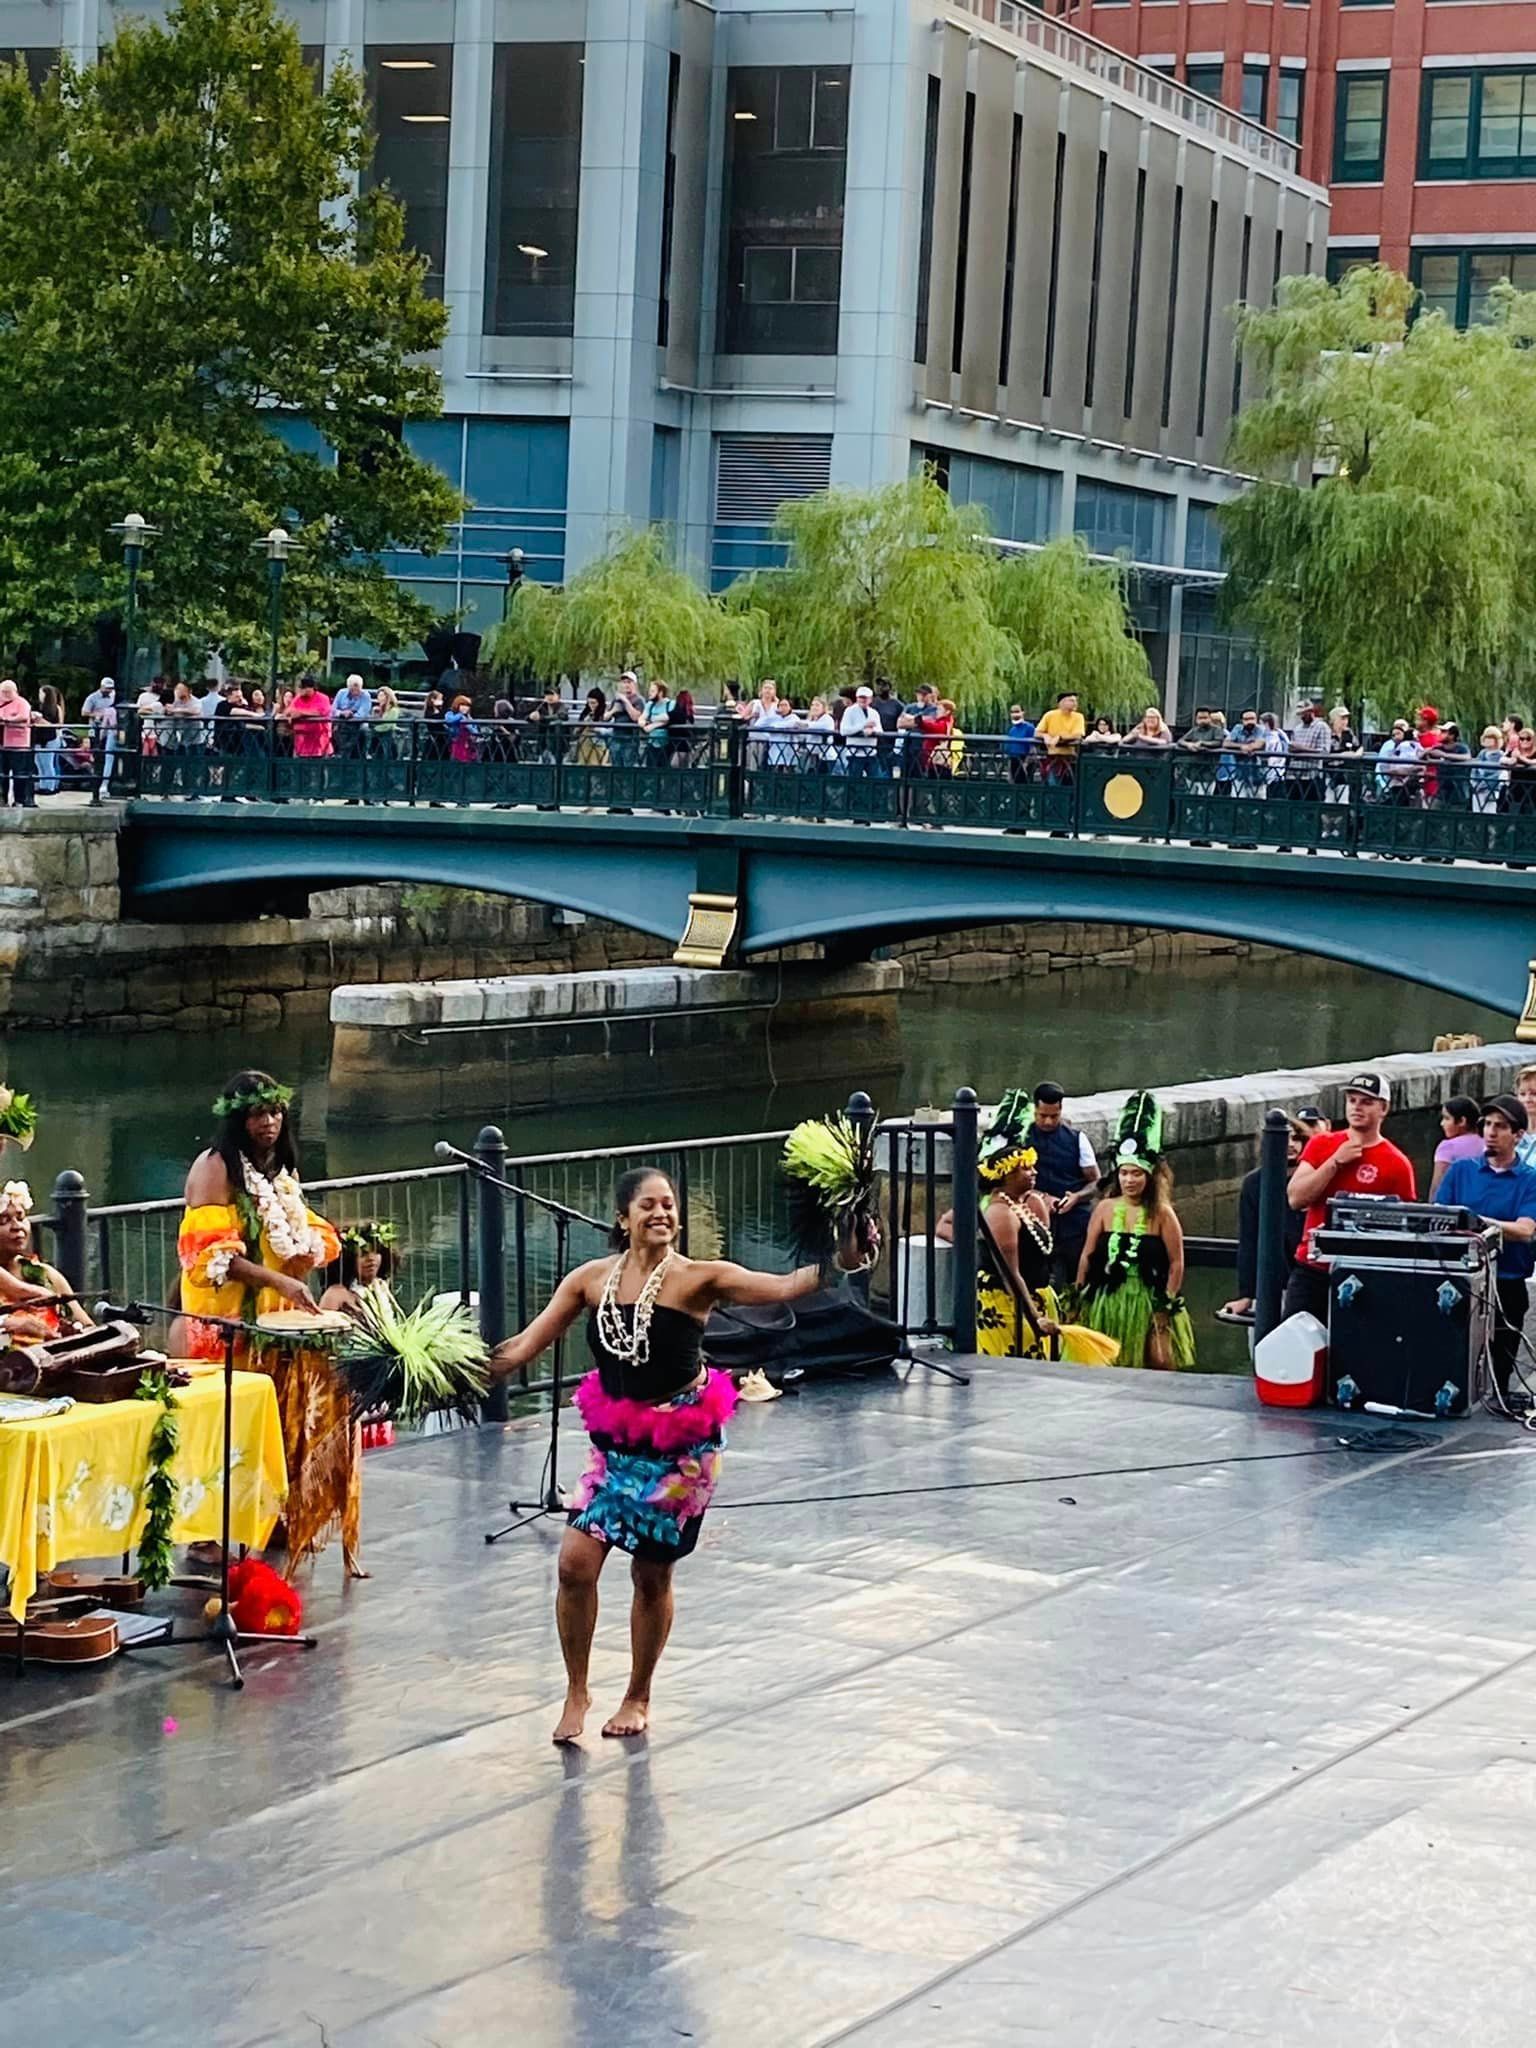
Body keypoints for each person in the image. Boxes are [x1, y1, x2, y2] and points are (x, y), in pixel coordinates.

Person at [488, 1165, 872, 1743]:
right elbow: (520, 1347)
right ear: (624, 1218)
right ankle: (577, 1690)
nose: (662, 1213)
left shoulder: (700, 1278)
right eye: (648, 1205)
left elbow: (787, 1286)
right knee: (573, 1564)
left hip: (681, 1450)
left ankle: (638, 1694)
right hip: (617, 1447)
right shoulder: (590, 1280)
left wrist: (843, 1258)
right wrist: (443, 1368)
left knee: (650, 1572)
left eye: (668, 1204)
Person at [178, 1070, 360, 1574]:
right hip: (226, 1321)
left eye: (276, 1112)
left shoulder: (277, 1171)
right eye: (259, 1113)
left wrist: (312, 1248)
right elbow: (210, 1254)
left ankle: (271, 1516)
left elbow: (304, 1224)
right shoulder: (215, 1169)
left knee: (274, 1420)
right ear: (238, 1119)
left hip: (274, 1323)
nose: (270, 1122)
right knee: (226, 1426)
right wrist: (279, 1282)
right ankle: (206, 1534)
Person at [1283, 1071, 1417, 1323]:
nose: (1357, 1107)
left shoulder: (1397, 1163)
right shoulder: (1322, 1144)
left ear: (1383, 1108)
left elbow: (1405, 1229)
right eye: (1352, 1100)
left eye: (1366, 1102)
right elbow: (1296, 1198)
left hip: (1367, 1274)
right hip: (1313, 1270)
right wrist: (1334, 1163)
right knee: (1297, 1344)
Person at [936, 1090, 1060, 1357]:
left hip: (1038, 1295)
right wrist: (1033, 1318)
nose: (1034, 1172)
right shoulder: (999, 1213)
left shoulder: (1031, 1203)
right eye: (1025, 1168)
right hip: (1007, 1305)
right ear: (1006, 1175)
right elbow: (1010, 1274)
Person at [1077, 1093, 1195, 1369]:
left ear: (1149, 1176)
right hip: (1107, 1298)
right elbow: (1087, 1255)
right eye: (1124, 1173)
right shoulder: (1105, 1209)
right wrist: (1078, 1295)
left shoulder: (1162, 1214)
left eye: (1136, 1174)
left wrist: (1165, 1305)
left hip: (1148, 1300)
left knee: (1158, 1361)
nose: (1129, 1180)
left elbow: (1177, 1262)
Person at [1435, 1097, 1536, 1402]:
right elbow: (1439, 1216)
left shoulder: (1530, 1180)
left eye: (1501, 1126)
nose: (1491, 1132)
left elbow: (1525, 1230)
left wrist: (1477, 1222)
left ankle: (1499, 1398)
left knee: (1500, 1365)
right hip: (1458, 1277)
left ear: (1518, 1135)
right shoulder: (1462, 1170)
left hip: (1505, 1280)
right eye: (1488, 1125)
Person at [1222, 1119, 1307, 1319]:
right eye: (1284, 1138)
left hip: (1307, 1283)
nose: (1290, 1144)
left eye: (1296, 1138)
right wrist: (1246, 1294)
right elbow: (1249, 1241)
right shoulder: (1254, 1183)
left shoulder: (1312, 1179)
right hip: (1270, 1285)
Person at [0, 1178, 93, 1339]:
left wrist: (74, 1332)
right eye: (3, 1221)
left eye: (21, 1218)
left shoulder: (47, 1274)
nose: (17, 1227)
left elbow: (88, 1327)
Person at [1027, 1082, 1099, 1289]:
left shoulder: (1077, 1139)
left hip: (1074, 1225)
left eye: (1054, 1116)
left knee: (1078, 1282)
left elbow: (1095, 1181)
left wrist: (1077, 1196)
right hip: (1034, 1224)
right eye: (1042, 1116)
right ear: (1034, 1110)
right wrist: (1040, 1196)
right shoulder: (1021, 1139)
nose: (1048, 1121)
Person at [319, 1221, 396, 1320]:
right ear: (348, 1260)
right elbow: (321, 1331)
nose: (371, 1258)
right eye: (363, 1254)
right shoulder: (335, 1294)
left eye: (376, 1252)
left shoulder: (381, 1287)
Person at [1429, 1095, 1486, 1198]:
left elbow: (1437, 1187)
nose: (1442, 1123)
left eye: (1447, 1118)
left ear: (1462, 1121)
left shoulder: (1447, 1147)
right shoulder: (1487, 1143)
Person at [81, 676, 118, 801]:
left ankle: (102, 783)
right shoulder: (92, 698)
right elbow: (84, 712)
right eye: (107, 688)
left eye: (110, 689)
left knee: (106, 755)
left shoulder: (113, 697)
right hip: (95, 729)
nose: (109, 691)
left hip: (108, 730)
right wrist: (97, 714)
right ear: (101, 686)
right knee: (96, 755)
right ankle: (94, 782)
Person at [1286, 700, 1332, 802]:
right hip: (1294, 774)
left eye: (1304, 713)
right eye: (1300, 714)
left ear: (1311, 712)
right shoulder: (1297, 728)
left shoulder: (1322, 727)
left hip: (1312, 775)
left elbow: (1324, 752)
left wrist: (1301, 748)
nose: (1302, 717)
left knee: (1311, 807)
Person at [1035, 691, 1086, 781]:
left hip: (1069, 757)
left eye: (1075, 701)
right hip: (1052, 757)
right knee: (1052, 784)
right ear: (1062, 702)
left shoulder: (1078, 717)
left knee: (1070, 786)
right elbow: (1037, 733)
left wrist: (1059, 737)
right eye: (1071, 701)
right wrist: (1045, 736)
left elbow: (1078, 735)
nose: (1075, 704)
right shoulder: (1050, 715)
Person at [0, 680, 36, 807]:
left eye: (8, 692)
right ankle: (2, 798)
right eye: (3, 691)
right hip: (2, 744)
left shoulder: (22, 703)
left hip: (18, 744)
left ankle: (19, 800)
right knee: (2, 774)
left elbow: (23, 716)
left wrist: (7, 720)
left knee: (19, 774)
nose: (5, 694)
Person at [1374, 719, 1421, 804]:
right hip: (1388, 782)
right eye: (1393, 734)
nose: (1396, 736)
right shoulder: (1388, 745)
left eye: (1399, 732)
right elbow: (1382, 765)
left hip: (1407, 782)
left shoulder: (1412, 744)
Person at [288, 677, 334, 760]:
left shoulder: (323, 698)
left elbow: (321, 712)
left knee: (320, 769)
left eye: (303, 688)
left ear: (311, 688)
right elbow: (289, 711)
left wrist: (301, 713)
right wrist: (294, 714)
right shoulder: (298, 698)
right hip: (301, 743)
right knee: (300, 770)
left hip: (319, 742)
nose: (300, 690)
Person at [330, 673, 374, 761]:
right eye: (353, 689)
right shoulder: (341, 693)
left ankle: (364, 754)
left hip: (359, 722)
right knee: (334, 729)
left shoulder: (365, 695)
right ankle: (336, 753)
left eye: (358, 689)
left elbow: (362, 714)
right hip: (341, 720)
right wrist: (342, 713)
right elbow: (332, 710)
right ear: (348, 688)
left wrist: (351, 715)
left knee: (365, 729)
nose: (356, 692)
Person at [839, 684, 880, 777]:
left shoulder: (874, 713)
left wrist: (873, 732)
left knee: (876, 780)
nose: (863, 700)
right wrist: (862, 727)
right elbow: (843, 730)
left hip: (871, 752)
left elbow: (880, 729)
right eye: (860, 697)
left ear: (870, 699)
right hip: (855, 753)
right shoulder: (849, 711)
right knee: (854, 783)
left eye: (865, 698)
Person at [1473, 728, 1509, 815]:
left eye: (1490, 737)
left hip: (1491, 789)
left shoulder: (1500, 755)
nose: (1487, 740)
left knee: (1489, 812)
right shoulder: (1482, 753)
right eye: (1486, 737)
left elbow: (1497, 773)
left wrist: (1484, 784)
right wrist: (1475, 783)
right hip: (1477, 788)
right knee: (1477, 812)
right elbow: (1475, 769)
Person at [574, 687, 610, 767]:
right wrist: (583, 723)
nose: (591, 706)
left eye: (593, 703)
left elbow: (609, 731)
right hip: (584, 744)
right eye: (589, 703)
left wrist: (596, 728)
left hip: (598, 745)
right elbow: (576, 731)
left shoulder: (606, 714)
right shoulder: (585, 712)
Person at [1003, 705, 1036, 784]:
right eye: (1013, 712)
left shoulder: (1029, 727)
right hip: (1014, 759)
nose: (1015, 714)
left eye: (1017, 711)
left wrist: (1026, 763)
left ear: (1022, 712)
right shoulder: (1012, 730)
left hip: (1026, 759)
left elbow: (1033, 746)